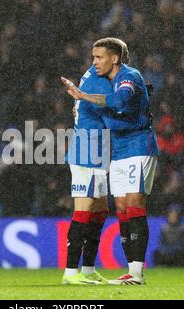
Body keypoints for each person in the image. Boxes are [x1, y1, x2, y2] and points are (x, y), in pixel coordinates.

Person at [62, 37, 159, 285]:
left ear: (114, 58)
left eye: (98, 57)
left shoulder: (123, 77)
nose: (94, 62)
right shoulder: (100, 77)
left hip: (119, 146)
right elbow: (119, 101)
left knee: (109, 208)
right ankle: (73, 272)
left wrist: (83, 96)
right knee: (100, 208)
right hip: (93, 148)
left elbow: (122, 98)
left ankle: (102, 270)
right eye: (93, 57)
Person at [62, 64, 113, 285]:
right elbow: (113, 112)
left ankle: (89, 269)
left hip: (98, 154)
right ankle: (71, 272)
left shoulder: (95, 79)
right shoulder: (97, 81)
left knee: (100, 211)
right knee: (83, 211)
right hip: (88, 153)